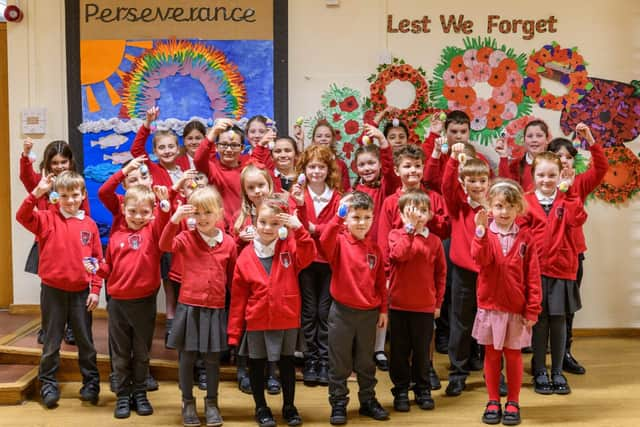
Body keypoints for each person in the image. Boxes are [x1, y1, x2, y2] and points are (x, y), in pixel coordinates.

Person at [16, 171, 102, 408]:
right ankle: (48, 384)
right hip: (53, 291)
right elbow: (22, 216)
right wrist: (37, 192)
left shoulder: (90, 225)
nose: (71, 200)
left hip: (81, 293)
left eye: (75, 195)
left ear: (83, 194)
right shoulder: (46, 219)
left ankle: (91, 383)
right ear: (56, 196)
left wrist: (95, 289)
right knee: (52, 341)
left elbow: (96, 260)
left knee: (85, 341)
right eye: (64, 196)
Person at [228, 198, 316, 427]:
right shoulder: (245, 257)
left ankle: (289, 406)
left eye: (274, 223)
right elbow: (238, 298)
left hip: (286, 318)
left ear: (282, 226)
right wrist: (234, 332)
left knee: (287, 365)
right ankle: (261, 407)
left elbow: (308, 256)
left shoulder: (289, 248)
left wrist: (299, 228)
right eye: (263, 222)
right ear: (255, 222)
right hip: (257, 320)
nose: (267, 228)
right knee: (257, 365)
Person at [159, 186, 237, 427]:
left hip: (215, 309)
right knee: (187, 358)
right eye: (198, 213)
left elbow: (233, 278)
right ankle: (187, 401)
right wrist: (175, 218)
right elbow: (164, 244)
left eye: (208, 213)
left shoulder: (229, 244)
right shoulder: (185, 238)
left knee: (212, 359)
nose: (202, 218)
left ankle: (212, 402)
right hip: (189, 308)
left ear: (220, 214)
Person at [94, 184, 172, 419]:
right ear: (123, 210)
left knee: (141, 352)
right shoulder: (116, 236)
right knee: (120, 353)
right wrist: (97, 269)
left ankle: (140, 393)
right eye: (132, 211)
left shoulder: (153, 233)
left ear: (152, 212)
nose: (138, 217)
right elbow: (108, 269)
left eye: (145, 212)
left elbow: (166, 223)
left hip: (144, 304)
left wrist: (165, 205)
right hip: (117, 304)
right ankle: (123, 395)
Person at [471, 179, 542, 425]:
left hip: (516, 308)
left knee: (513, 355)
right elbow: (479, 259)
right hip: (490, 306)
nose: (504, 212)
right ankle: (493, 399)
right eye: (499, 206)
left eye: (509, 207)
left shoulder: (526, 238)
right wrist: (479, 233)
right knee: (491, 355)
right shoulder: (485, 233)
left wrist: (532, 308)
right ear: (490, 207)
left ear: (518, 209)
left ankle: (513, 400)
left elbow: (533, 276)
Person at [319, 191, 389, 425]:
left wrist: (383, 310)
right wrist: (338, 215)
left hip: (368, 315)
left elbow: (381, 282)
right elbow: (324, 239)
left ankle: (368, 401)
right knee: (340, 362)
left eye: (366, 217)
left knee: (366, 362)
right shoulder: (338, 242)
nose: (361, 222)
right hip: (342, 313)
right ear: (347, 220)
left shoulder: (375, 249)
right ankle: (338, 403)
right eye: (356, 217)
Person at [524, 152, 587, 396]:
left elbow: (577, 219)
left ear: (560, 174)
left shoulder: (568, 198)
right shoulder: (527, 200)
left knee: (559, 321)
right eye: (541, 175)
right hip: (536, 270)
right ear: (533, 176)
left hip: (562, 268)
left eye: (552, 175)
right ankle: (539, 369)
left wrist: (570, 192)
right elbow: (522, 233)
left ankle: (557, 370)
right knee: (539, 322)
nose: (546, 180)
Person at [548, 123, 607, 375]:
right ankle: (540, 357)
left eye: (569, 157)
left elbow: (602, 168)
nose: (565, 161)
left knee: (568, 308)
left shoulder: (580, 184)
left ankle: (564, 354)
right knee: (541, 310)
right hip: (545, 256)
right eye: (559, 156)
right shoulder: (544, 182)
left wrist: (590, 139)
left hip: (572, 255)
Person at [20, 138, 89, 345]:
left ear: (70, 162)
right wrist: (25, 155)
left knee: (71, 286)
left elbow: (86, 213)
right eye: (55, 163)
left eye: (63, 162)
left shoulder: (77, 184)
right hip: (47, 242)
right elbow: (25, 177)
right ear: (48, 163)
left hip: (71, 243)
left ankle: (71, 329)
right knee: (49, 288)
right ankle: (48, 327)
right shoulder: (44, 184)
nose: (59, 167)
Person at [387, 190, 446, 412]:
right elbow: (399, 255)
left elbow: (441, 275)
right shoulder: (396, 235)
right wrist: (409, 230)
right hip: (399, 304)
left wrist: (438, 303)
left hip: (424, 306)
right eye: (411, 211)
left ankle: (422, 389)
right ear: (401, 214)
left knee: (422, 351)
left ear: (430, 214)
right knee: (400, 351)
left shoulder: (435, 241)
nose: (417, 215)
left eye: (422, 211)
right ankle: (401, 389)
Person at [441, 143, 492, 397]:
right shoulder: (458, 206)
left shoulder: (495, 208)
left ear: (488, 181)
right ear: (463, 182)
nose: (477, 184)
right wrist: (452, 159)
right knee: (461, 324)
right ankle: (458, 374)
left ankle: (493, 373)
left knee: (492, 325)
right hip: (463, 274)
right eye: (471, 180)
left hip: (491, 274)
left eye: (482, 180)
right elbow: (446, 187)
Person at [232, 164, 284, 395]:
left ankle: (272, 372)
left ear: (270, 185)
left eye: (261, 185)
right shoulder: (241, 216)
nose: (257, 191)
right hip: (248, 281)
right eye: (251, 187)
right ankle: (243, 370)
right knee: (245, 325)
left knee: (271, 326)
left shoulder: (280, 211)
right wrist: (240, 240)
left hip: (274, 278)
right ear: (245, 191)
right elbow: (229, 252)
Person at [294, 144, 342, 387]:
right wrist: (312, 228)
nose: (316, 171)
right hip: (305, 261)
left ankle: (325, 360)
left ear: (328, 169)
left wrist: (316, 229)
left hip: (329, 261)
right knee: (309, 311)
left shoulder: (337, 197)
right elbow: (298, 226)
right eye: (312, 166)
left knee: (326, 312)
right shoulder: (299, 196)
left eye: (321, 167)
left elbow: (338, 226)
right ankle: (310, 359)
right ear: (304, 169)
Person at [193, 118, 249, 230]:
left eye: (234, 145)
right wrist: (213, 132)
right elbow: (198, 159)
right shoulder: (212, 169)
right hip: (218, 229)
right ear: (216, 147)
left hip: (243, 227)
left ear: (242, 148)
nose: (228, 149)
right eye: (223, 144)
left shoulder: (247, 170)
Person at [496, 119, 551, 191]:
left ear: (547, 140)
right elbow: (505, 187)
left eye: (539, 136)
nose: (534, 140)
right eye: (530, 136)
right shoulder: (516, 164)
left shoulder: (554, 163)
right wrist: (503, 156)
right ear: (524, 141)